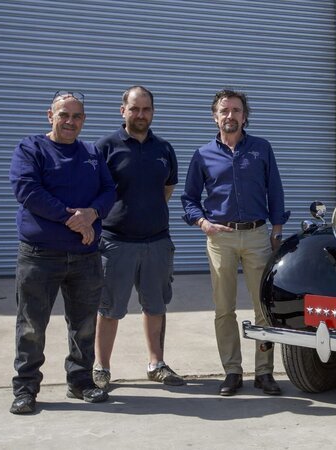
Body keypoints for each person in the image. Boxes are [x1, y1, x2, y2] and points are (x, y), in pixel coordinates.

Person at [8, 91, 115, 414]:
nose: (70, 121)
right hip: (40, 256)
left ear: (83, 120)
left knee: (83, 325)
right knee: (31, 325)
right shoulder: (31, 148)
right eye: (63, 115)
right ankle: (26, 388)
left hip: (85, 257)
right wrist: (74, 219)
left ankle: (80, 381)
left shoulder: (91, 153)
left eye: (77, 116)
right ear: (50, 115)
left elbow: (109, 190)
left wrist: (93, 215)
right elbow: (27, 190)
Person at [181, 89, 289, 396]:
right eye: (224, 110)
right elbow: (189, 198)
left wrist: (277, 230)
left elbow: (275, 189)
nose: (231, 116)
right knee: (224, 308)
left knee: (263, 307)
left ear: (245, 115)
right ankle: (231, 371)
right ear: (215, 116)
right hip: (220, 238)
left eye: (236, 110)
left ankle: (265, 372)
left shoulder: (261, 149)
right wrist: (202, 222)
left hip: (257, 235)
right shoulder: (203, 155)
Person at [92, 86, 183, 390]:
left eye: (146, 109)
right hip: (116, 242)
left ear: (153, 112)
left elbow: (167, 190)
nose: (140, 115)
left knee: (155, 306)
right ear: (123, 111)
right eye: (134, 109)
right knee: (110, 308)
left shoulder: (164, 149)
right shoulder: (105, 147)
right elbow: (95, 193)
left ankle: (156, 364)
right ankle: (101, 367)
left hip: (156, 241)